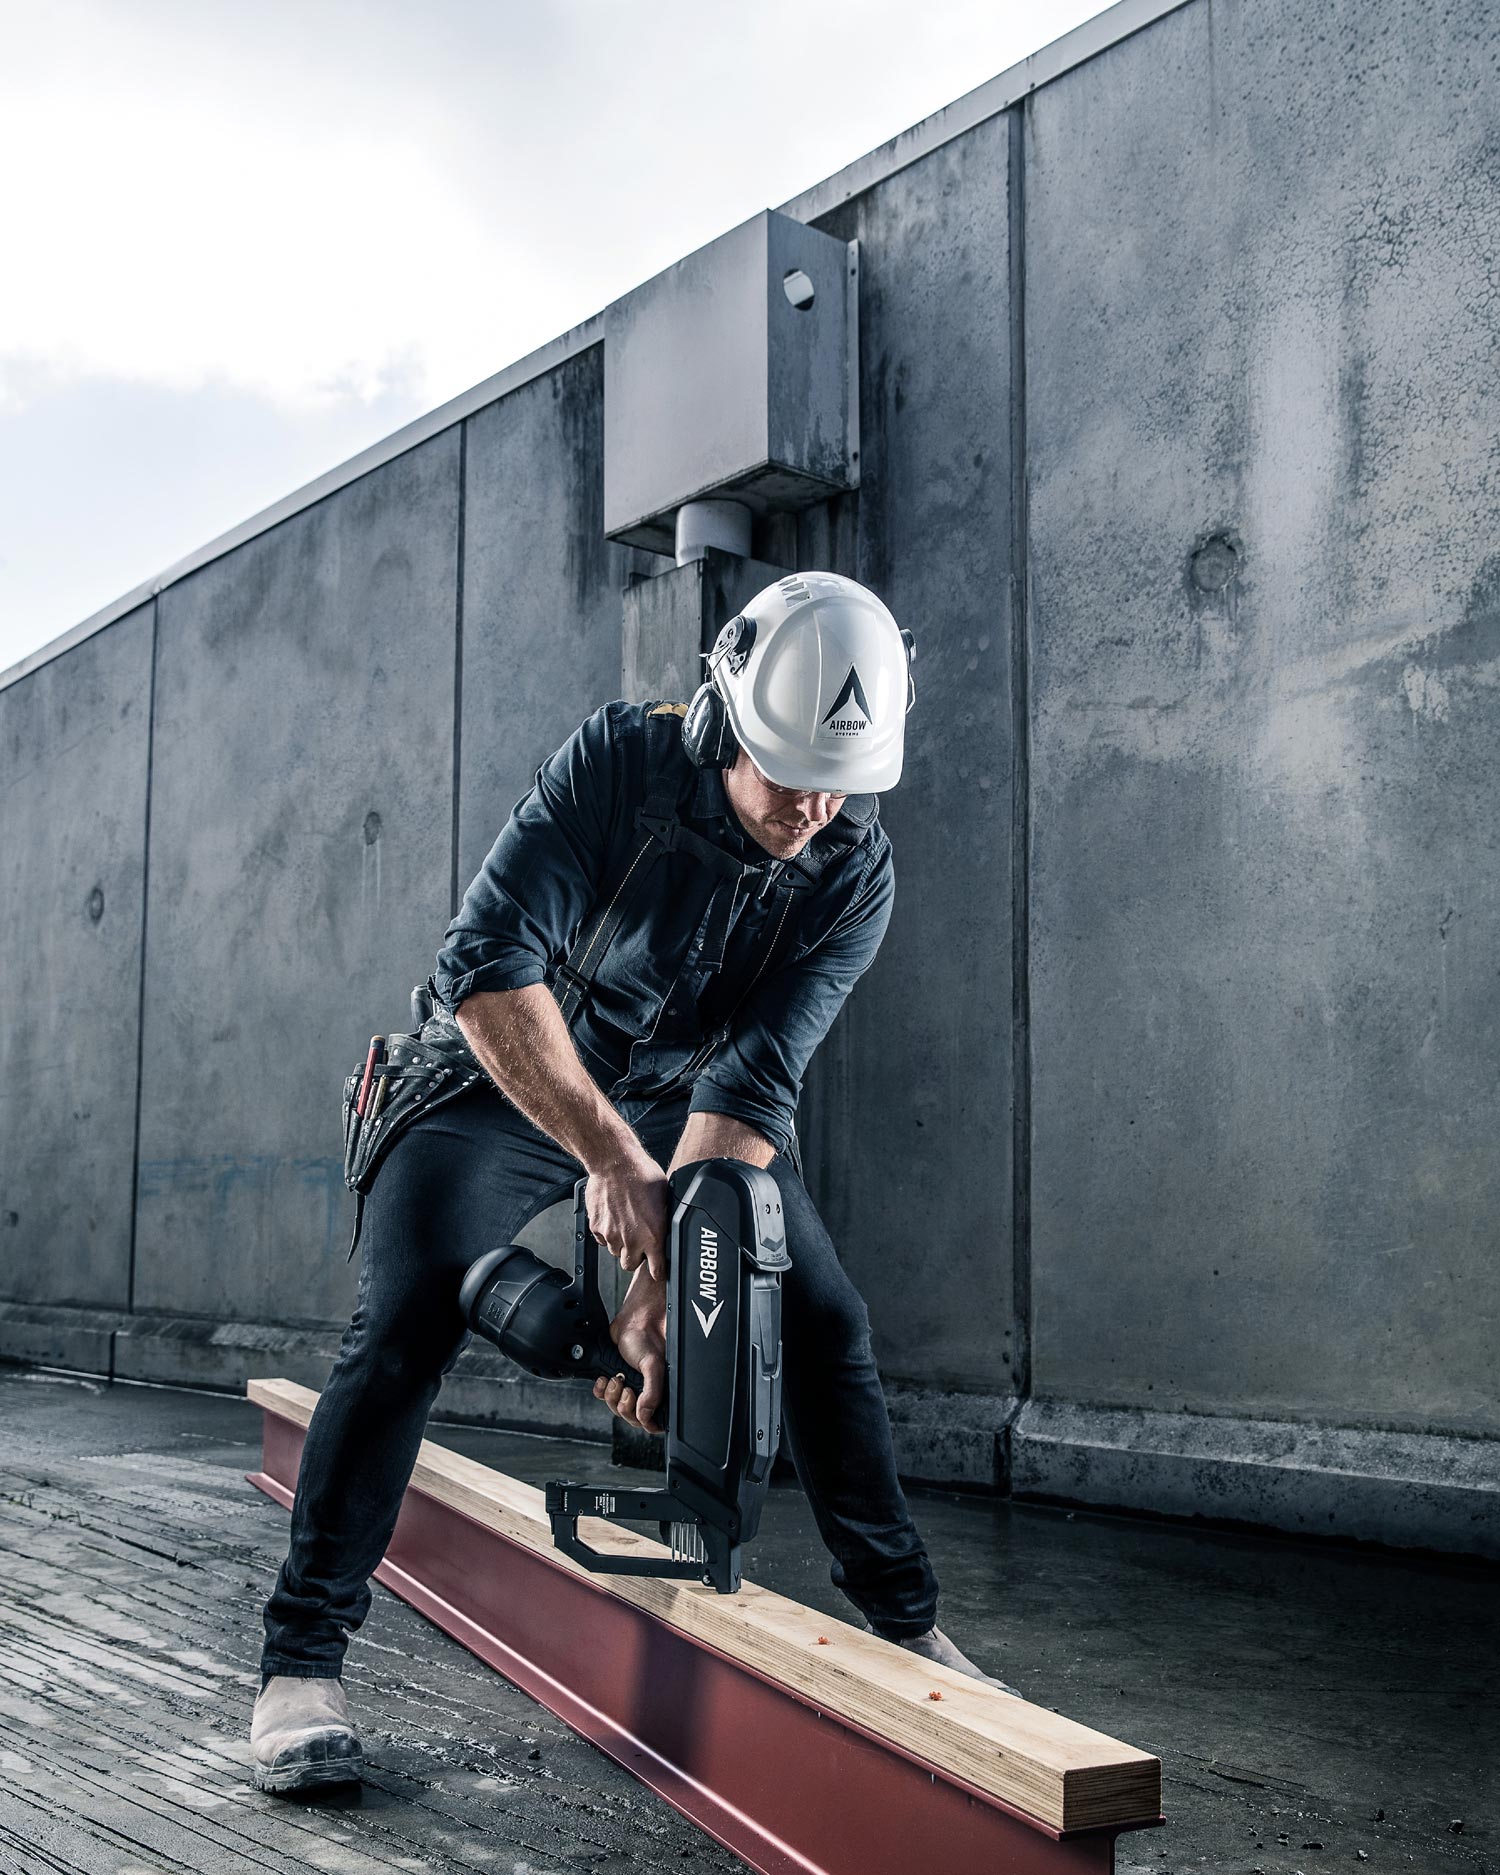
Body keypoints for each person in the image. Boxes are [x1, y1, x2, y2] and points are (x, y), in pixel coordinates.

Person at [250, 570, 1017, 1796]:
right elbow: (485, 968)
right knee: (402, 1321)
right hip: (499, 1066)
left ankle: (907, 1625)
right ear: (724, 719)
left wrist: (672, 1288)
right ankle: (301, 1662)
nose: (815, 806)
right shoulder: (616, 762)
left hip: (677, 1100)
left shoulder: (851, 874)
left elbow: (750, 1092)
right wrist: (610, 1159)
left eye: (844, 782)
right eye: (787, 770)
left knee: (819, 1314)